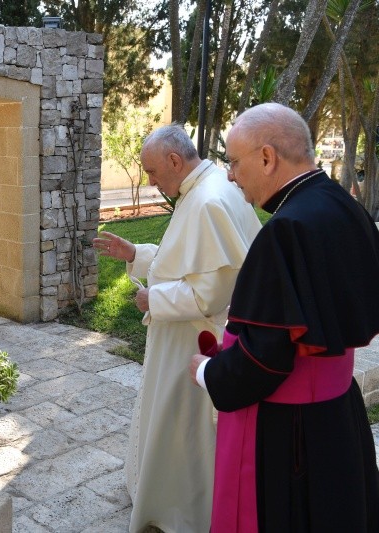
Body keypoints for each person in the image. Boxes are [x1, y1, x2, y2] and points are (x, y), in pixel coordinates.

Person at [190, 102, 379, 532]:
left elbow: (265, 360)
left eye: (234, 162)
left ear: (267, 157)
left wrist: (207, 372)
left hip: (292, 435)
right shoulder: (345, 205)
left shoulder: (285, 230)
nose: (231, 175)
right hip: (340, 415)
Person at [93, 124, 262, 533]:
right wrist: (136, 253)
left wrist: (155, 299)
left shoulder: (207, 200)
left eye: (152, 171)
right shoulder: (208, 186)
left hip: (192, 340)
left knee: (182, 428)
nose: (151, 182)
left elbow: (211, 293)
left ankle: (179, 511)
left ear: (173, 160)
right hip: (184, 336)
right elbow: (185, 260)